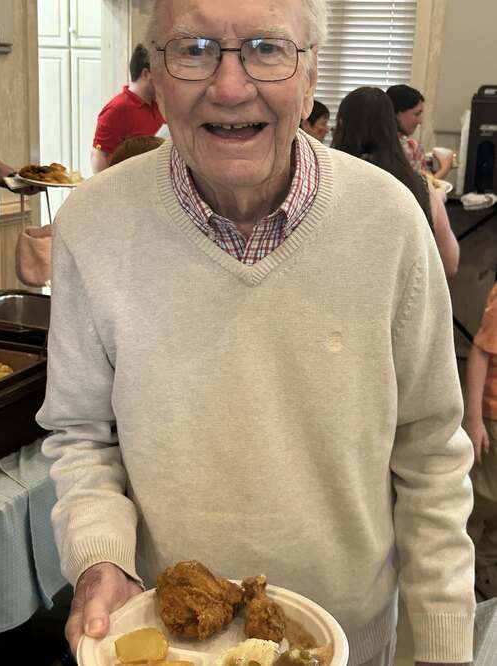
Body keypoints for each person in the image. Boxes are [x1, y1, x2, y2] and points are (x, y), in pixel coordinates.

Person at [37, 1, 475, 665]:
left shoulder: (389, 221)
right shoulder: (92, 224)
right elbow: (82, 435)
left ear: (310, 74)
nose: (230, 86)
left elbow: (431, 453)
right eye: (193, 49)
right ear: (156, 73)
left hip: (351, 642)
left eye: (267, 49)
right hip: (173, 644)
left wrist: (442, 647)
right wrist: (101, 558)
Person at [332, 87, 459, 278]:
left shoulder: (322, 181)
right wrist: (437, 198)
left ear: (342, 124)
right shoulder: (420, 187)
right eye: (417, 113)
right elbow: (450, 264)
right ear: (392, 122)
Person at [464, 282, 497, 600]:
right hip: (494, 419)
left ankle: (486, 571)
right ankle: (473, 579)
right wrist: (474, 420)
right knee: (483, 502)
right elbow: (481, 351)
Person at [91, 44, 165, 173]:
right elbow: (99, 155)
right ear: (146, 73)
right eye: (161, 74)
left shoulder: (158, 105)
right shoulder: (117, 108)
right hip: (127, 180)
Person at [386, 84, 453, 180]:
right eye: (417, 114)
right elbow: (423, 187)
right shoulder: (410, 146)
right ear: (397, 114)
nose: (420, 121)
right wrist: (445, 168)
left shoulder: (373, 142)